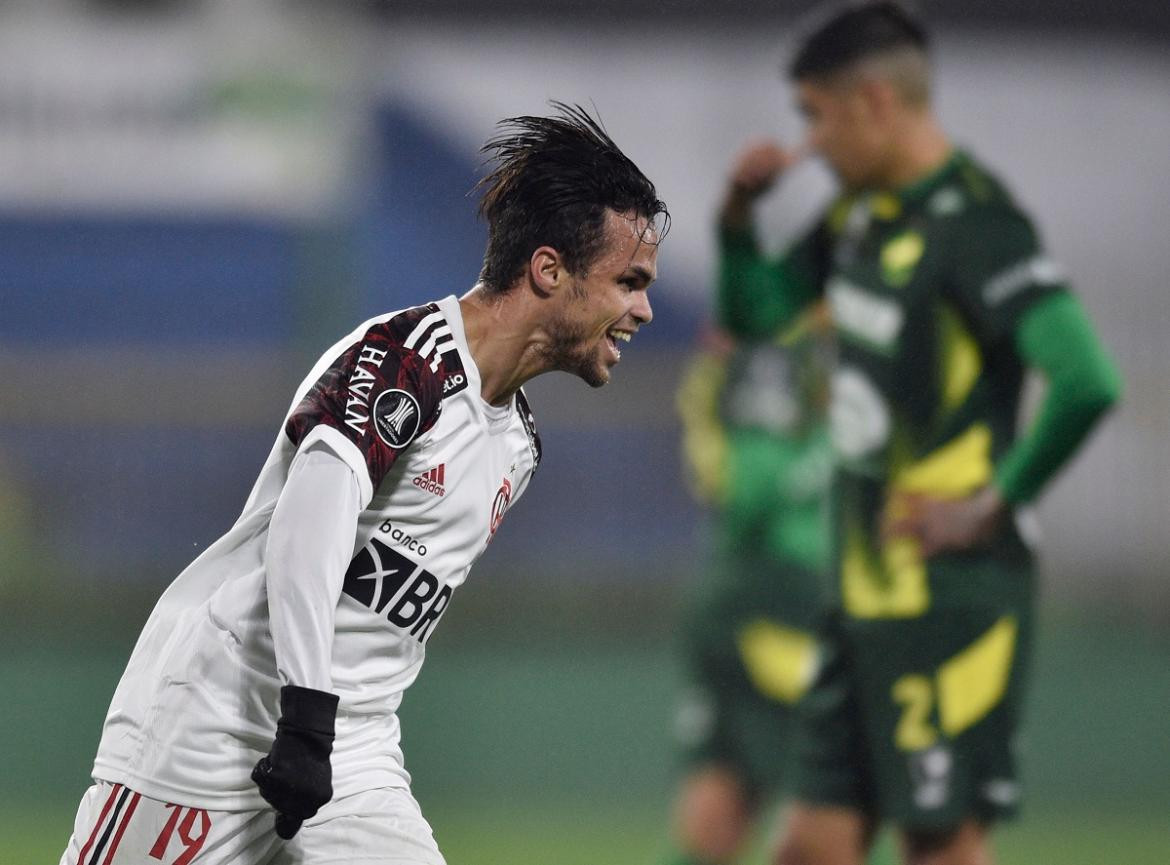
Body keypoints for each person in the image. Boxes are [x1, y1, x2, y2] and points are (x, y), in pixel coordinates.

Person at [60, 102, 667, 865]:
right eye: (629, 281)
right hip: (210, 728)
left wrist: (324, 728)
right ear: (549, 269)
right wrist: (307, 713)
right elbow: (306, 530)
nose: (644, 308)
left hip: (354, 750)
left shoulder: (518, 445)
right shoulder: (402, 364)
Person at [715, 4, 1122, 865]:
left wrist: (994, 502)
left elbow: (1087, 379)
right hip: (859, 595)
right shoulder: (862, 218)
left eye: (816, 116)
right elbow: (755, 314)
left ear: (872, 102)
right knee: (811, 848)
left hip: (947, 597)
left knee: (938, 848)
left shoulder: (976, 225)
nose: (810, 144)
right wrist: (738, 218)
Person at [665, 312, 834, 865]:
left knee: (722, 805)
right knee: (832, 804)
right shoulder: (770, 356)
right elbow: (747, 491)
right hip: (769, 604)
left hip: (746, 596)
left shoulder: (762, 354)